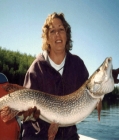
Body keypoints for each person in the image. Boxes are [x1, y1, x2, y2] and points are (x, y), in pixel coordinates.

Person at [22, 12, 89, 140]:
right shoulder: (36, 69)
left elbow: (90, 94)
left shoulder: (78, 65)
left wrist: (108, 82)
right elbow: (26, 119)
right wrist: (30, 114)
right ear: (47, 37)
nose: (57, 34)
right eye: (52, 31)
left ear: (66, 34)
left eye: (61, 29)